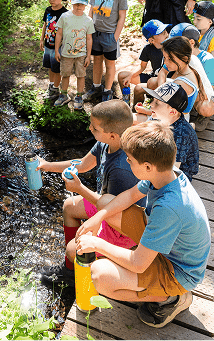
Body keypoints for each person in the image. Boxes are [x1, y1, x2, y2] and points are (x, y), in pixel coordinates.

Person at [75, 122, 211, 328]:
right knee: (105, 203)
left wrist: (97, 244)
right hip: (166, 245)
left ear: (147, 167)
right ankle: (148, 272)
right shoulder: (164, 174)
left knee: (99, 276)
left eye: (130, 160)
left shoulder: (169, 208)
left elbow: (138, 263)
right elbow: (130, 195)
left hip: (178, 271)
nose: (127, 162)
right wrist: (98, 217)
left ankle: (170, 298)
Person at [37, 101, 145, 287]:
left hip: (121, 226)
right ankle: (71, 268)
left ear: (112, 135)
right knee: (69, 207)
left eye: (94, 128)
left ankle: (78, 261)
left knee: (74, 249)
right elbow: (83, 165)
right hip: (106, 206)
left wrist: (79, 189)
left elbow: (112, 210)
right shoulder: (105, 144)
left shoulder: (122, 169)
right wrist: (47, 165)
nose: (89, 129)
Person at [83, 0, 128, 103]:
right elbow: (91, 11)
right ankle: (96, 87)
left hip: (110, 35)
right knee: (96, 61)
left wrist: (115, 36)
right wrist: (89, 28)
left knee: (109, 64)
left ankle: (107, 91)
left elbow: (122, 16)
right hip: (95, 33)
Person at [134, 81, 199, 182]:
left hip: (178, 178)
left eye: (157, 103)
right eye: (152, 100)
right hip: (158, 158)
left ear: (172, 111)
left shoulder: (181, 134)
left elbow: (173, 171)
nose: (150, 104)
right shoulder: (156, 117)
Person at [54, 0, 95, 109]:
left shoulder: (88, 20)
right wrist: (57, 50)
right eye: (76, 4)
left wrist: (88, 56)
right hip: (66, 53)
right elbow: (59, 34)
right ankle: (64, 95)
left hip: (81, 55)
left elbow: (89, 39)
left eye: (82, 4)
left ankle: (79, 96)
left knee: (80, 75)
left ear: (86, 5)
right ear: (72, 2)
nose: (78, 7)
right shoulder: (64, 17)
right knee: (65, 74)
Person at [169, 22, 214, 131]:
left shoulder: (207, 59)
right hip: (184, 91)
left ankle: (201, 116)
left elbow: (210, 89)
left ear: (191, 43)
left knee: (206, 108)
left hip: (199, 95)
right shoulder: (179, 56)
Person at [118, 19, 168, 109]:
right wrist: (130, 76)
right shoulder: (148, 49)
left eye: (164, 29)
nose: (165, 32)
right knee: (122, 76)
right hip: (151, 78)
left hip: (164, 81)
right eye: (160, 32)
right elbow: (142, 66)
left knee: (138, 88)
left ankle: (136, 110)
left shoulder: (172, 46)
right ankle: (126, 105)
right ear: (151, 40)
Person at [156, 36, 207, 121]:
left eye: (170, 59)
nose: (165, 62)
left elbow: (164, 111)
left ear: (184, 58)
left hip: (174, 122)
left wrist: (145, 110)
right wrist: (162, 89)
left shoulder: (180, 84)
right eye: (165, 58)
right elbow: (162, 71)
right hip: (174, 116)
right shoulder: (187, 65)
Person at [40, 0, 68, 101]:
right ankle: (51, 86)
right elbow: (45, 25)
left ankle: (56, 88)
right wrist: (42, 39)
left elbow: (66, 32)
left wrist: (59, 47)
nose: (52, 0)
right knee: (50, 66)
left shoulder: (65, 14)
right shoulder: (48, 10)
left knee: (57, 68)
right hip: (48, 44)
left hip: (58, 47)